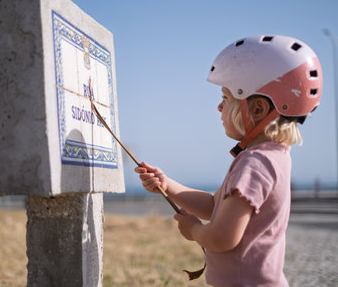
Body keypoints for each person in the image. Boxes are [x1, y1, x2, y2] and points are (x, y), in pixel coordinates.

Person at [135, 35, 322, 286]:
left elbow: (223, 237)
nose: (219, 108)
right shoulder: (273, 157)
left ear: (257, 110)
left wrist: (194, 231)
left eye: (226, 98)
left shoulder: (254, 163)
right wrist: (167, 185)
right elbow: (215, 206)